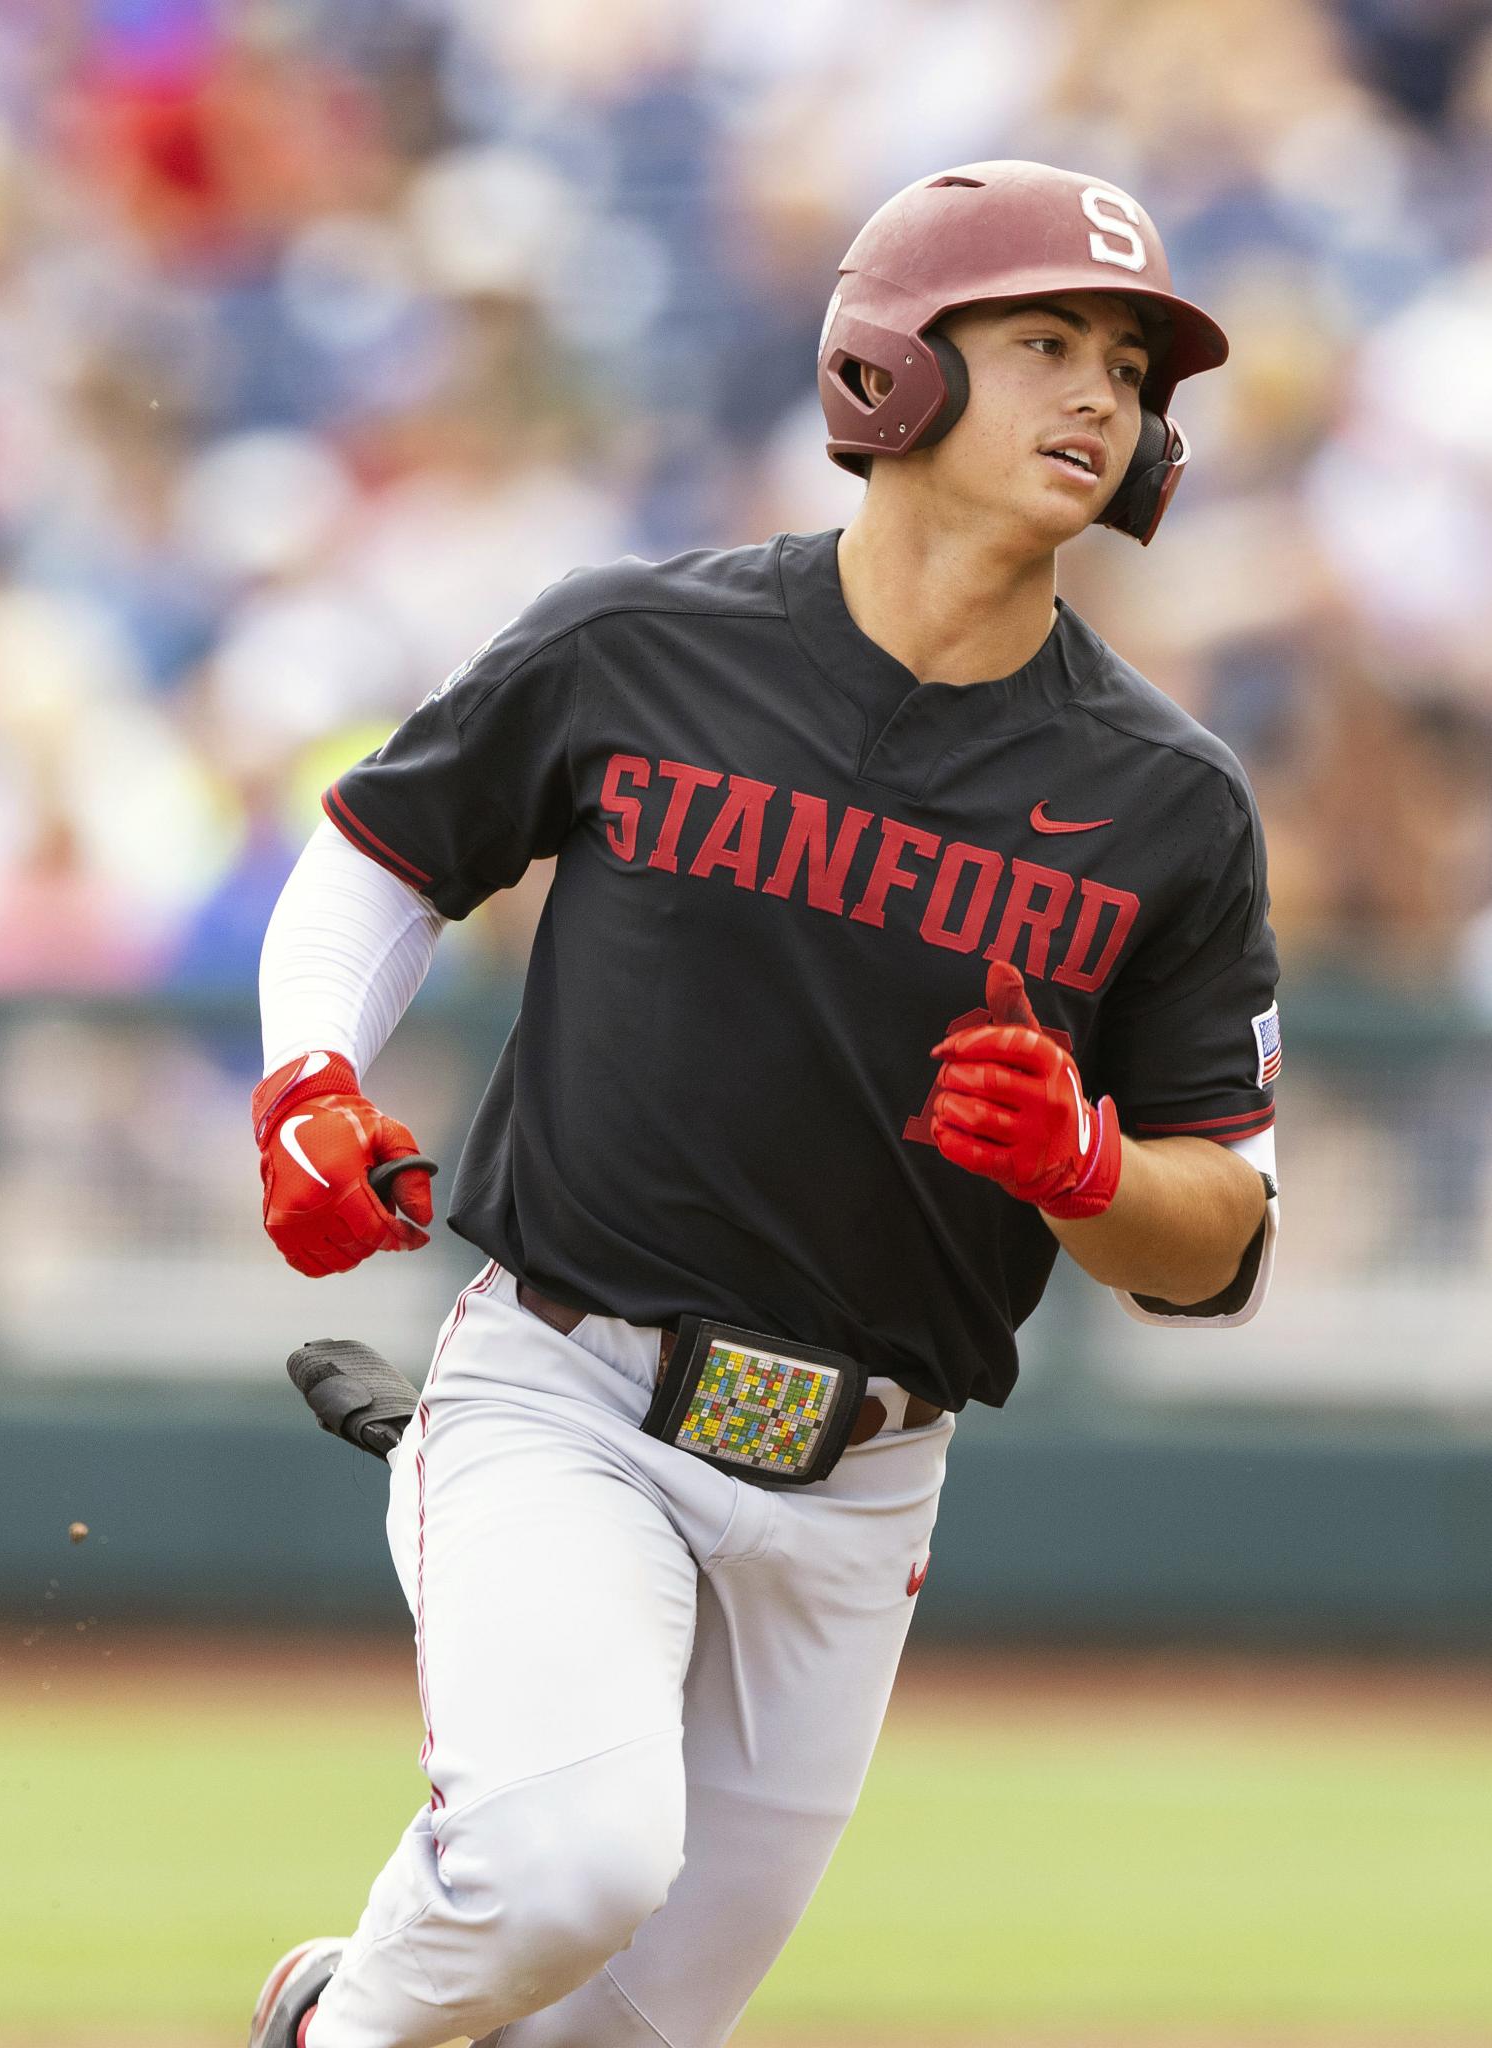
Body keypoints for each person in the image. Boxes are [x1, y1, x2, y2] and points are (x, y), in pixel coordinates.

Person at [241, 161, 1282, 2048]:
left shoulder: (1171, 797)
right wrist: (310, 1072)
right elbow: (380, 862)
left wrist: (1087, 1166)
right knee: (565, 1867)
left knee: (619, 2031)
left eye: (1129, 369)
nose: (1098, 399)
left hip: (860, 1479)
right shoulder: (635, 640)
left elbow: (1221, 1240)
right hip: (566, 1382)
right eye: (1043, 341)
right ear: (895, 365)